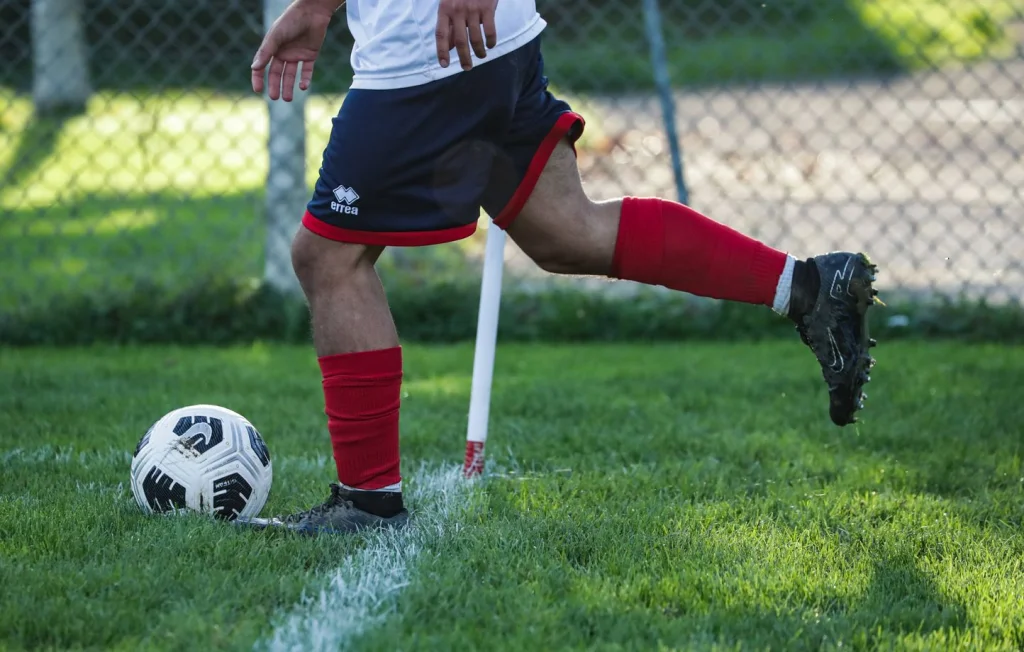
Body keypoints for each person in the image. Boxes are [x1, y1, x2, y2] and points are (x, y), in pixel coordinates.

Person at [241, 0, 879, 535]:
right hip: (487, 40)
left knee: (328, 255)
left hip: (431, 48)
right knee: (565, 229)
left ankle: (368, 503)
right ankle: (810, 287)